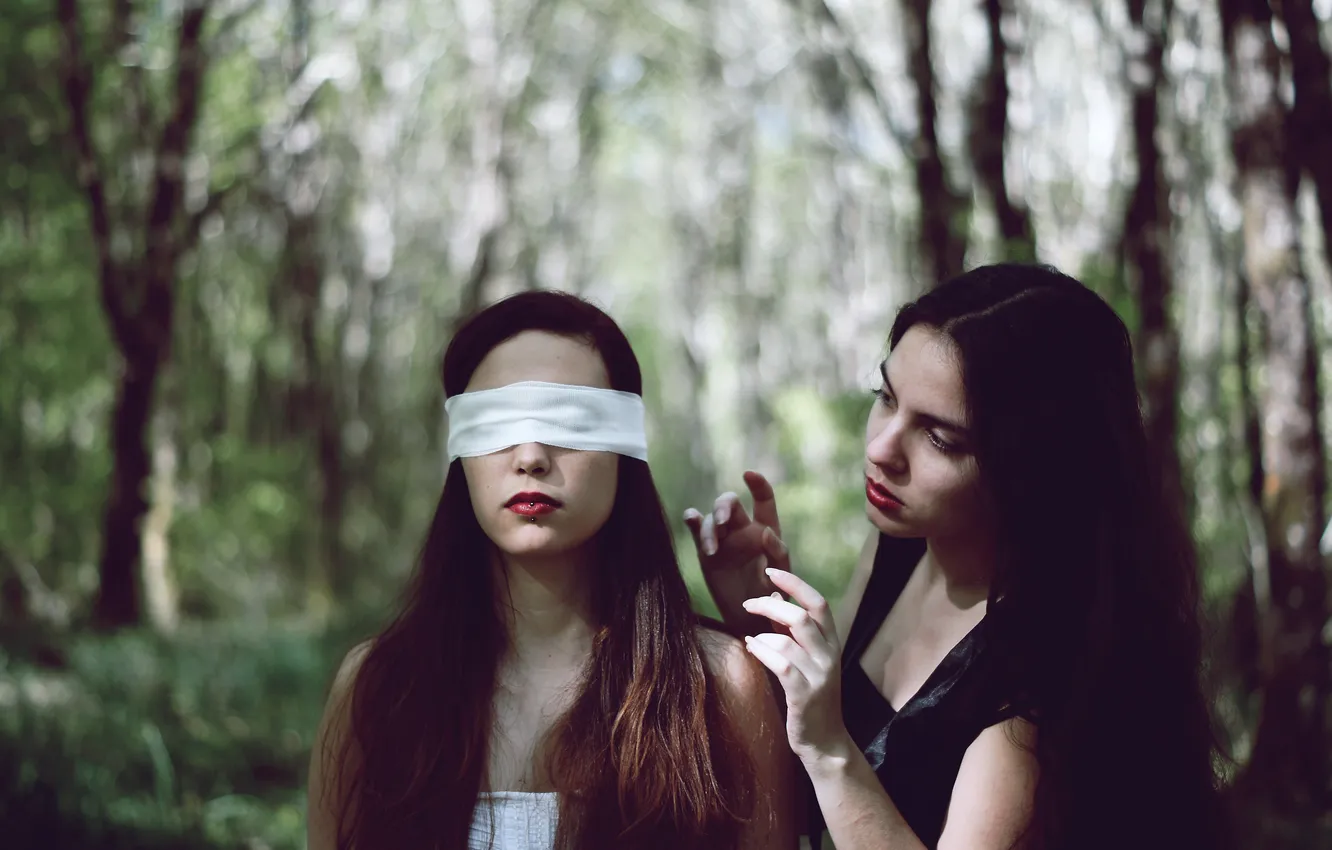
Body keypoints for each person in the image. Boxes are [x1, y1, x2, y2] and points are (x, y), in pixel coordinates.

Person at [686, 264, 1229, 849]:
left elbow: (836, 757)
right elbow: (823, 764)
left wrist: (832, 752)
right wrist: (761, 618)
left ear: (1031, 467)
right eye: (886, 398)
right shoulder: (901, 544)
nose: (881, 448)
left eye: (939, 438)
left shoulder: (1040, 691)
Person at [308, 291, 795, 850]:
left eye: (568, 419)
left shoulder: (720, 685)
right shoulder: (376, 689)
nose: (531, 455)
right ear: (460, 450)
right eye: (496, 422)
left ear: (625, 449)